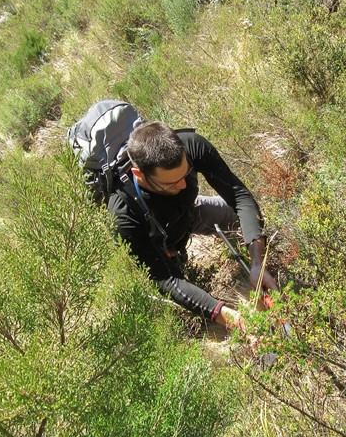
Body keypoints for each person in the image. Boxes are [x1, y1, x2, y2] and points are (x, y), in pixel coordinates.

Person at [108, 121, 277, 329]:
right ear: (140, 175)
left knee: (242, 219)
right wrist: (230, 317)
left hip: (189, 212)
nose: (183, 185)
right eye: (171, 183)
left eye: (186, 173)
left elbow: (239, 196)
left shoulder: (191, 146)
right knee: (168, 282)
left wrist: (257, 262)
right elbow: (167, 280)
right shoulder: (124, 212)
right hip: (151, 238)